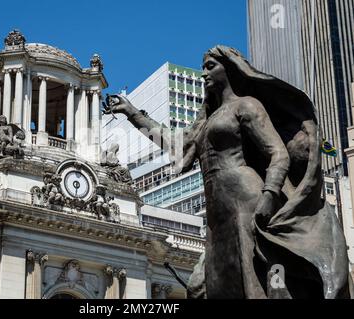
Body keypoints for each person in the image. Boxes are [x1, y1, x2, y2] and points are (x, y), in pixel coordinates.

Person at [103, 45, 351, 299]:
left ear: (230, 68)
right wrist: (132, 113)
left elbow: (278, 153)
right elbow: (175, 144)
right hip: (217, 210)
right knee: (202, 286)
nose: (203, 74)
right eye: (202, 68)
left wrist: (269, 193)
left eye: (211, 66)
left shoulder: (246, 106)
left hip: (245, 198)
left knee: (251, 279)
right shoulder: (206, 121)